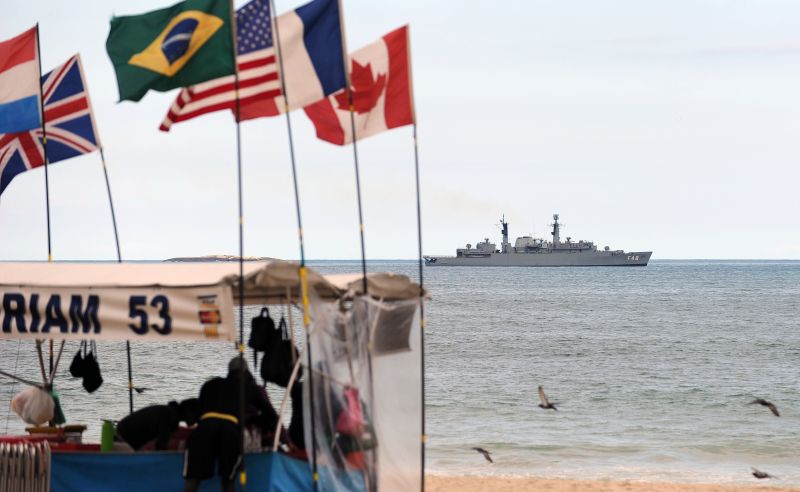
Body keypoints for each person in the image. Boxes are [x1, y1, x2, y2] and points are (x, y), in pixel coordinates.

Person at [183, 357, 279, 492]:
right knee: (228, 480)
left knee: (192, 480)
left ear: (228, 371)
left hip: (204, 429)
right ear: (246, 372)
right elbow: (272, 415)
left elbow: (199, 413)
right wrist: (255, 421)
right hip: (230, 431)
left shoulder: (209, 385)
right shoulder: (249, 388)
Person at [115, 398, 200, 451]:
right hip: (124, 440)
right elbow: (161, 445)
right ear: (189, 412)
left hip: (124, 436)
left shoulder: (169, 412)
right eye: (196, 415)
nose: (197, 420)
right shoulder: (170, 416)